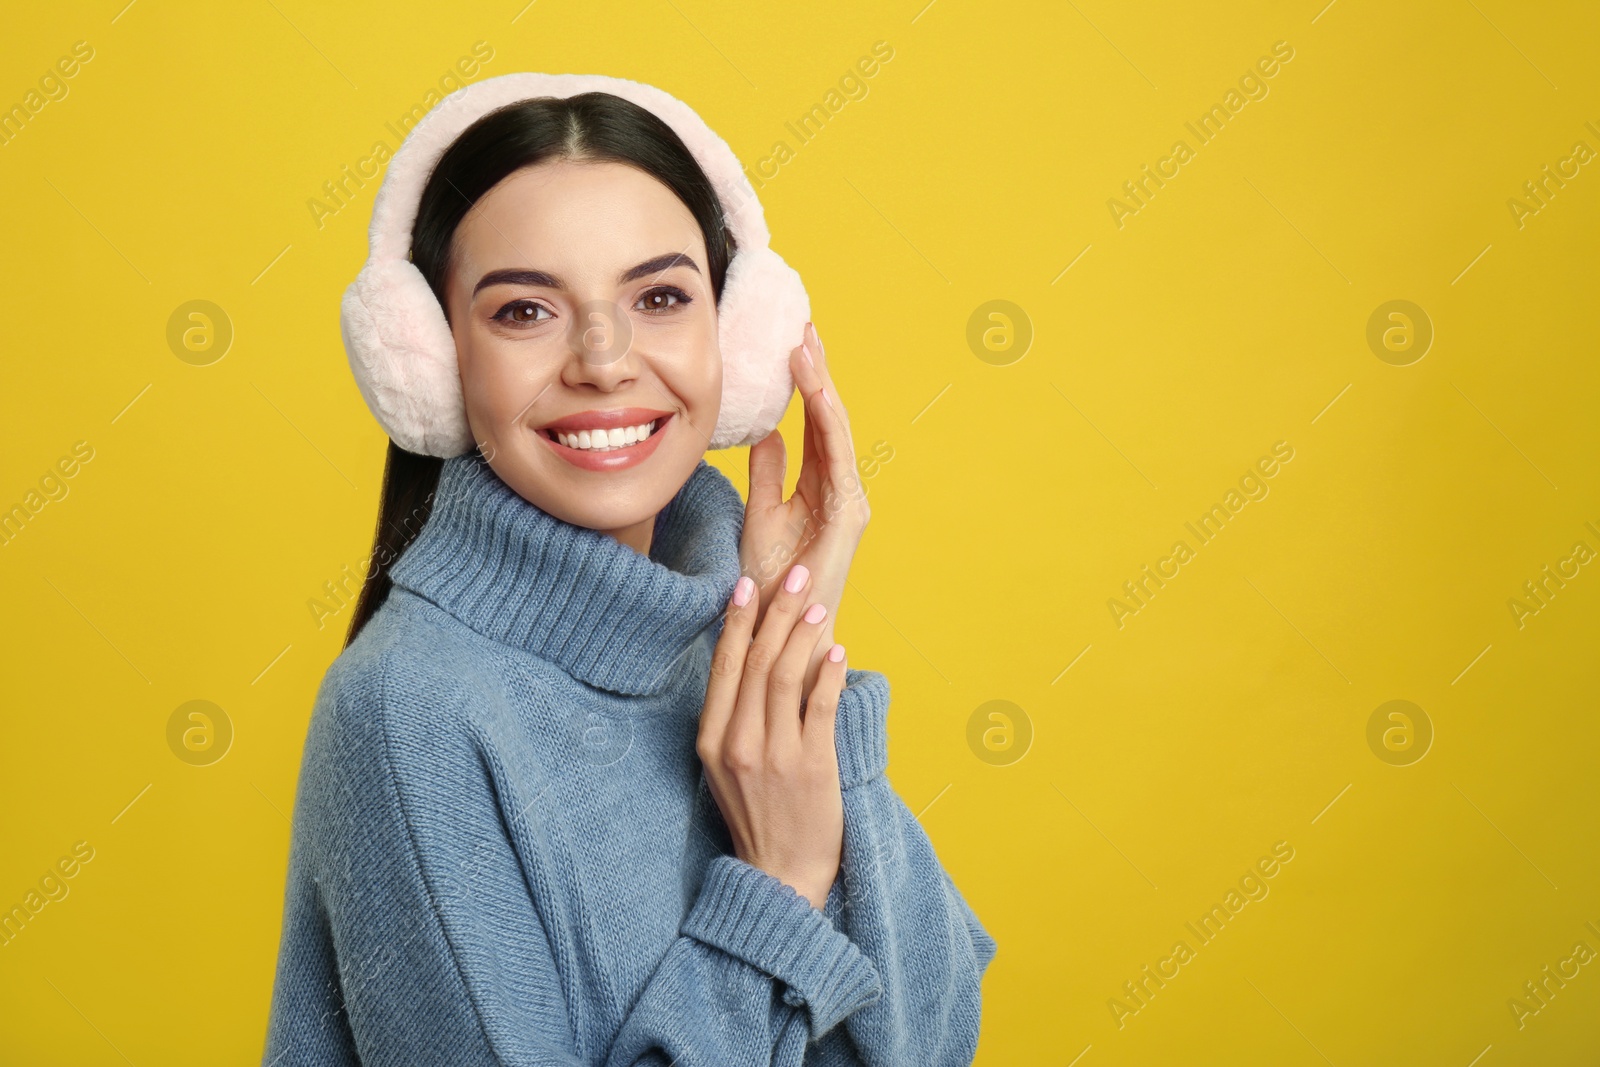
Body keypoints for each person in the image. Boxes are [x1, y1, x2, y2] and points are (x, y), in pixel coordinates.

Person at [264, 76, 995, 1066]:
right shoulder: (409, 712)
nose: (604, 359)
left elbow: (927, 1043)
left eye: (658, 297)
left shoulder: (719, 635)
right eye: (524, 310)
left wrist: (797, 656)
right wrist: (774, 891)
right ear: (435, 362)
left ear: (733, 338)